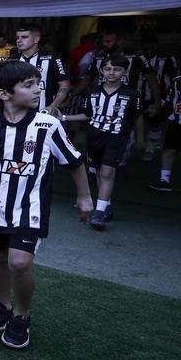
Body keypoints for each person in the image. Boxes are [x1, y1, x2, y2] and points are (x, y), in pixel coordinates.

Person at [0, 61, 92, 349]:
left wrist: (84, 196)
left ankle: (22, 316)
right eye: (29, 85)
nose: (38, 90)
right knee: (0, 258)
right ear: (4, 94)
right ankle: (4, 306)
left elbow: (74, 161)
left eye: (38, 83)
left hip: (29, 209)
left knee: (20, 262)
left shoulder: (48, 125)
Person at [59, 55, 137, 230]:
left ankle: (99, 213)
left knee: (108, 172)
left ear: (125, 72)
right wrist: (63, 117)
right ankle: (106, 205)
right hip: (94, 137)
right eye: (108, 69)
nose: (112, 73)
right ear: (101, 71)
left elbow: (137, 118)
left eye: (117, 69)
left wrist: (139, 139)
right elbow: (88, 115)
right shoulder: (93, 91)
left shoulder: (131, 94)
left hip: (117, 137)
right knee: (99, 172)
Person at [148, 56, 181, 192]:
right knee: (169, 148)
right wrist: (157, 107)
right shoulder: (178, 81)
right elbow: (168, 99)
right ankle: (164, 180)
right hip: (177, 121)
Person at [14, 24, 70, 115]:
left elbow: (65, 85)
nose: (19, 41)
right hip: (17, 114)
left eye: (24, 37)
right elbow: (2, 85)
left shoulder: (53, 58)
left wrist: (53, 106)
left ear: (36, 39)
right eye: (17, 37)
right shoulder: (12, 60)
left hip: (44, 113)